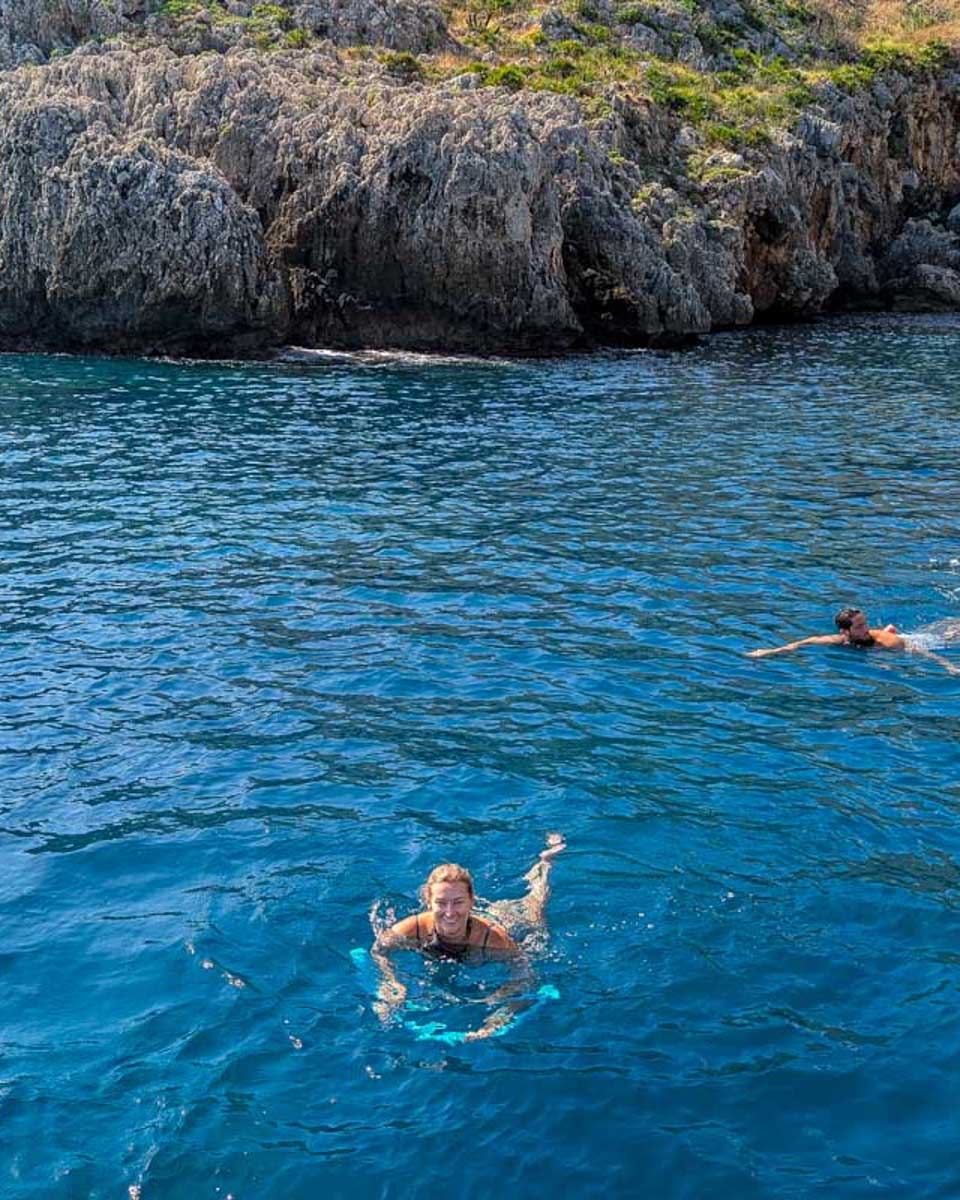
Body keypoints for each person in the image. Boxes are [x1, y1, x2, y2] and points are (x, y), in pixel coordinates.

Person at [371, 833, 565, 1040]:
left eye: (458, 902)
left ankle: (546, 861)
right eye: (441, 902)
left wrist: (499, 1009)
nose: (449, 912)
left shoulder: (494, 941)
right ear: (428, 901)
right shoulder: (412, 928)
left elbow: (526, 977)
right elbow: (379, 950)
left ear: (472, 900)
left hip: (510, 921)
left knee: (536, 903)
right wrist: (389, 982)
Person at [747, 607, 959, 674]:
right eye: (859, 626)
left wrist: (948, 665)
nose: (865, 629)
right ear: (845, 632)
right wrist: (769, 652)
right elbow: (804, 643)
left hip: (918, 642)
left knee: (949, 635)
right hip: (889, 638)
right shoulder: (839, 639)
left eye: (865, 624)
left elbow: (922, 652)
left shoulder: (886, 642)